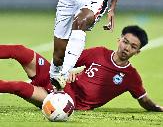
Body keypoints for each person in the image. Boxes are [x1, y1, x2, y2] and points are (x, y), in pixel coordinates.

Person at [0, 25, 163, 111]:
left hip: (66, 100)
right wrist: (70, 69)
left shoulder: (131, 77)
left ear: (138, 51)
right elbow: (66, 60)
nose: (126, 48)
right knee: (20, 50)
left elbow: (144, 100)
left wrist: (157, 108)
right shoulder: (99, 53)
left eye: (133, 46)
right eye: (125, 42)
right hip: (57, 78)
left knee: (18, 86)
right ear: (119, 40)